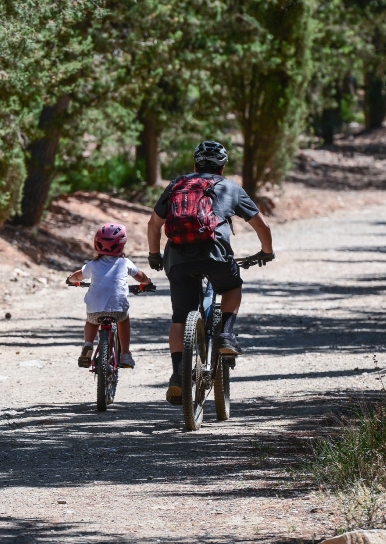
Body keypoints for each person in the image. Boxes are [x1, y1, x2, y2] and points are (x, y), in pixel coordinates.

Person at [146, 140, 274, 405]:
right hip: (216, 255)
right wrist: (266, 251)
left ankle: (177, 374)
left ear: (195, 164)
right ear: (223, 168)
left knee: (180, 319)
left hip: (178, 259)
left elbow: (153, 224)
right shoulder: (231, 187)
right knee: (231, 287)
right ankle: (226, 334)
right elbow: (262, 226)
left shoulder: (177, 185)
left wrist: (154, 255)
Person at [67, 223, 154, 370]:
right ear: (122, 245)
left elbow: (78, 276)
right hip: (118, 310)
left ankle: (88, 344)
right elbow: (141, 277)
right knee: (124, 321)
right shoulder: (124, 262)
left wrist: (71, 280)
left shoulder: (93, 264)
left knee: (91, 322)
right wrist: (147, 283)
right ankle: (125, 354)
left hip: (95, 310)